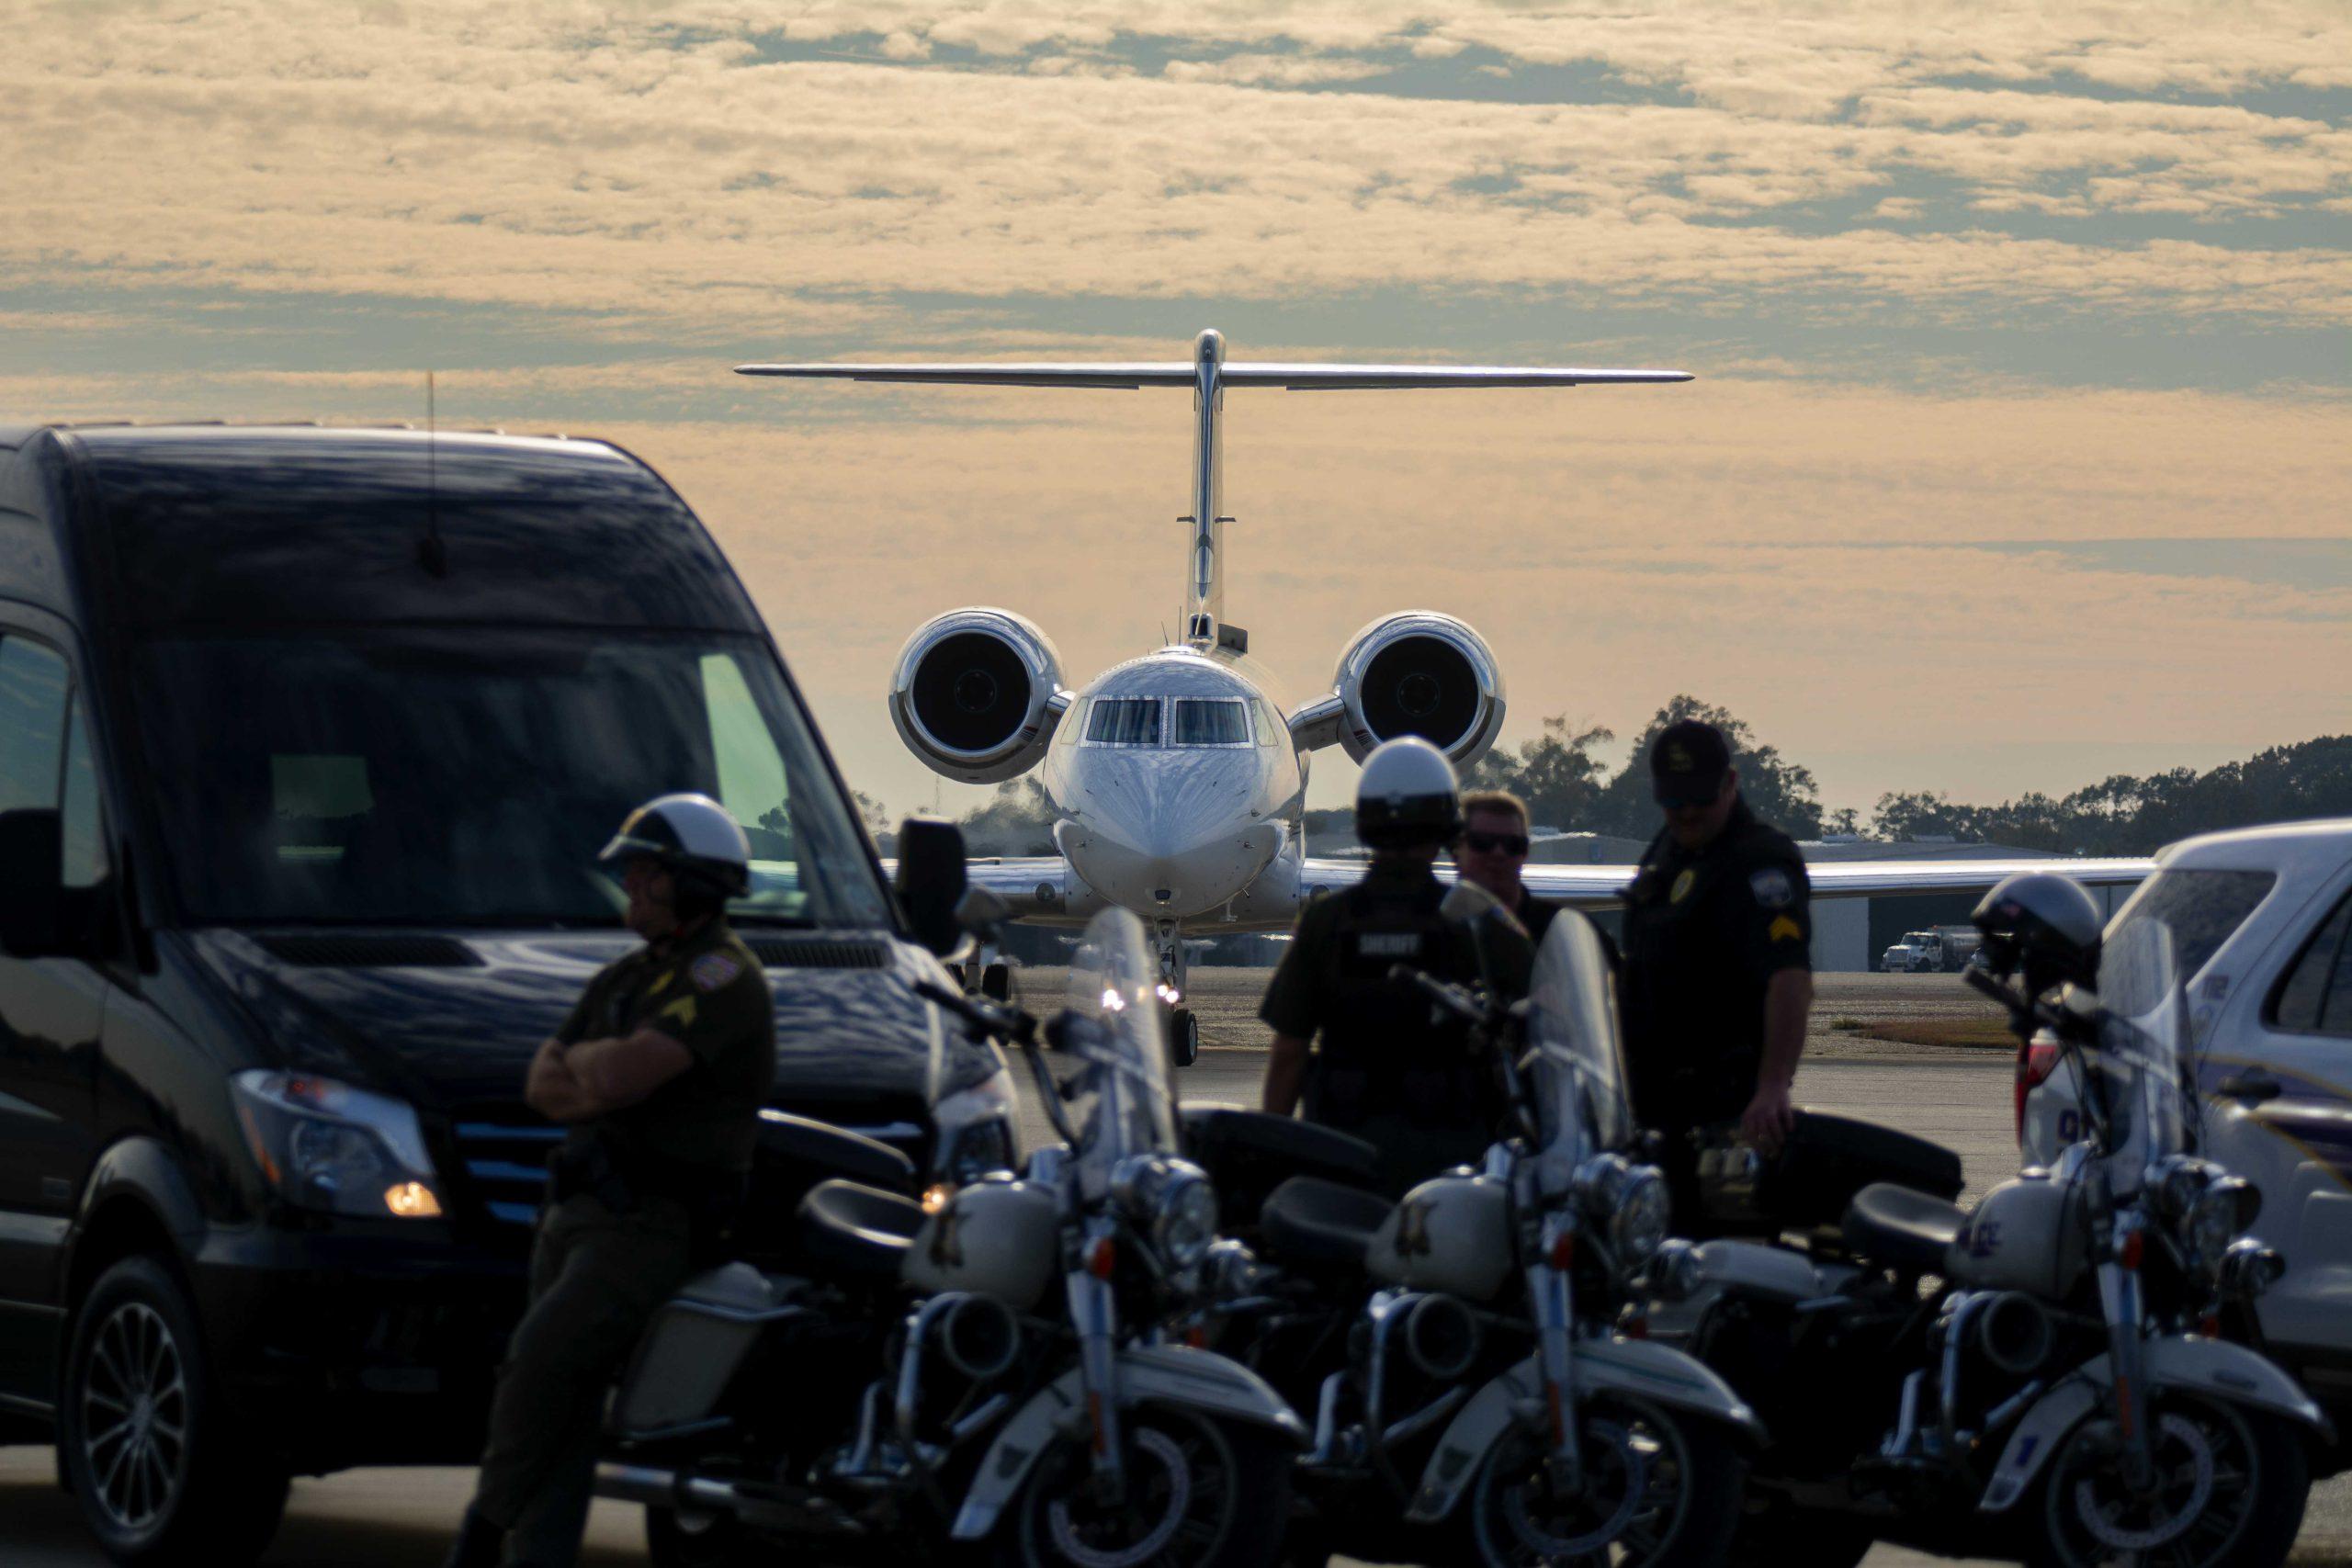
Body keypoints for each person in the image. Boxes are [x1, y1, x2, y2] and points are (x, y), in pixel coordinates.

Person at [445, 794, 774, 1568]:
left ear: (689, 883)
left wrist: (595, 1071)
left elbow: (624, 1073)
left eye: (646, 874)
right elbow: (542, 1081)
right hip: (574, 1217)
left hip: (649, 1226)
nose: (630, 886)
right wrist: (600, 1073)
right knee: (562, 1413)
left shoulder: (724, 973)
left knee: (541, 1360)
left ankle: (482, 1530)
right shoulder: (631, 976)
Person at [1259, 738, 1533, 1194]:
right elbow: (1541, 1025)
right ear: (1446, 823)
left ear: (1366, 820)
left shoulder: (1328, 921)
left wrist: (1271, 1157)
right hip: (1457, 1175)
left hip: (1343, 1164)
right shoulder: (1476, 917)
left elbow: (1289, 1051)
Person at [1618, 720, 1813, 1219]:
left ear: (1730, 784)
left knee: (1723, 1250)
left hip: (1724, 1104)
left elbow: (1788, 975)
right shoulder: (1666, 852)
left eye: (1699, 800)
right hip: (1652, 1105)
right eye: (1673, 801)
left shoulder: (1760, 861)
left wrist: (1773, 1086)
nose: (1686, 813)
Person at [1454, 787, 1563, 943]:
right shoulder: (1432, 930)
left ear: (1525, 852)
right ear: (1457, 849)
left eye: (1512, 845)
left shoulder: (1558, 934)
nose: (1499, 853)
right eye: (1483, 842)